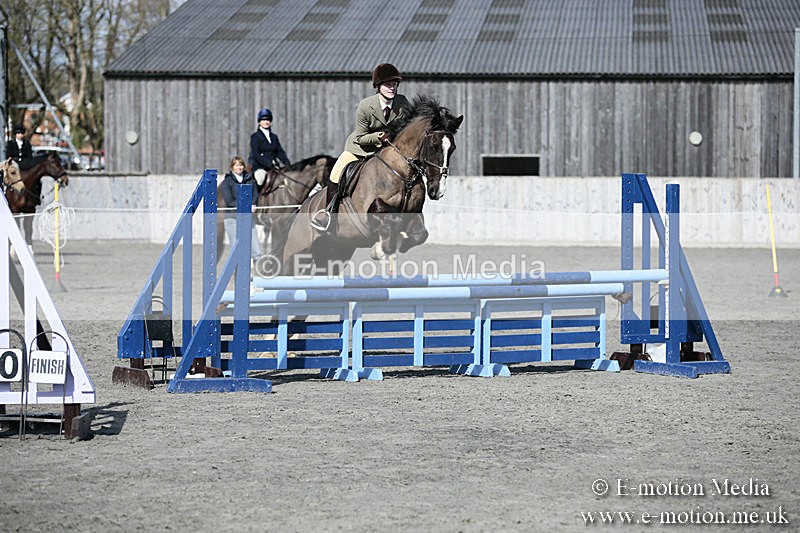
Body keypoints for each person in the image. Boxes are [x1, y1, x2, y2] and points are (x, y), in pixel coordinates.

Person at [310, 63, 411, 231]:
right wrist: (378, 137)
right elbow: (360, 136)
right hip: (360, 147)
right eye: (388, 84)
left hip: (384, 151)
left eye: (395, 84)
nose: (392, 88)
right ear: (378, 86)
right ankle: (328, 214)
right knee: (335, 174)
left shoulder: (402, 103)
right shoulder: (365, 106)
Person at [220, 156, 261, 261]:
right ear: (232, 167)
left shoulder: (250, 179)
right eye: (237, 165)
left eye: (241, 165)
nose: (240, 167)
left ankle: (260, 270)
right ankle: (237, 270)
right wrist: (246, 206)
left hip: (247, 217)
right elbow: (229, 201)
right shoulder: (227, 182)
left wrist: (254, 204)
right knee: (236, 248)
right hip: (232, 217)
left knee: (256, 249)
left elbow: (255, 195)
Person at [248, 108, 290, 191]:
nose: (266, 122)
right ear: (259, 122)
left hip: (273, 166)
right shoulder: (255, 137)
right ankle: (255, 200)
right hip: (260, 166)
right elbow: (256, 153)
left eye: (268, 120)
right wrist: (268, 163)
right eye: (263, 120)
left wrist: (287, 163)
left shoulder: (274, 137)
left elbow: (279, 151)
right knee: (260, 179)